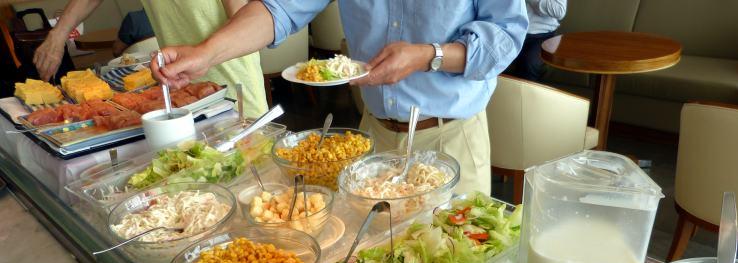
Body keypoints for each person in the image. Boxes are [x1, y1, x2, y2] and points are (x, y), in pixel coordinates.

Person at [152, 0, 528, 195]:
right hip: (374, 137)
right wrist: (205, 53)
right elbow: (278, 9)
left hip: (450, 139)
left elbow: (505, 38)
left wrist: (428, 55)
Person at [32, 0, 268, 117]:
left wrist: (204, 55)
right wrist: (57, 35)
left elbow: (247, 24)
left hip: (233, 94)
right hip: (179, 93)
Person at [505, 0, 567, 82]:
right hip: (510, 30)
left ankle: (526, 89)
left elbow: (559, 11)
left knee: (530, 63)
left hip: (543, 34)